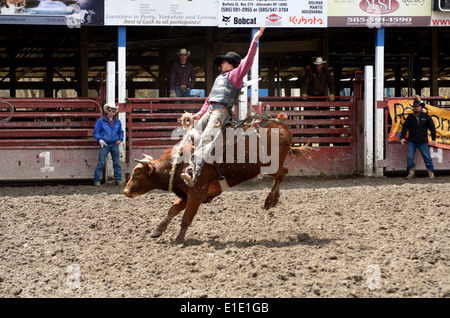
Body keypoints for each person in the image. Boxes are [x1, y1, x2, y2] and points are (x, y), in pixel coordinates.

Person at [180, 26, 266, 187]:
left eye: (224, 61)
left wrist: (254, 41)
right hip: (211, 111)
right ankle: (198, 161)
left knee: (206, 139)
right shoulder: (220, 78)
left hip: (221, 114)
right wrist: (199, 114)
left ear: (231, 64)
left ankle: (192, 171)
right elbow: (210, 99)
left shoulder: (236, 75)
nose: (221, 63)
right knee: (193, 134)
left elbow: (248, 62)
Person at [400, 98, 436, 179]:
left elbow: (432, 128)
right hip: (412, 140)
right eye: (415, 107)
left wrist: (433, 139)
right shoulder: (410, 118)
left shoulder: (426, 117)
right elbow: (405, 127)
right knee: (410, 157)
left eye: (418, 106)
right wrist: (402, 137)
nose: (416, 108)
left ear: (421, 107)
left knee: (427, 157)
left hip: (422, 141)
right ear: (414, 108)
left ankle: (431, 172)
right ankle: (411, 173)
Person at [93, 103, 124, 186]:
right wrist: (99, 139)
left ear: (114, 111)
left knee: (116, 163)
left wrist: (120, 139)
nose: (111, 112)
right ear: (107, 111)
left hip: (114, 144)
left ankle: (118, 179)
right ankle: (96, 180)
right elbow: (96, 131)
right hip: (105, 144)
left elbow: (121, 132)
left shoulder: (117, 122)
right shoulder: (101, 120)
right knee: (101, 163)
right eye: (109, 110)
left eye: (113, 110)